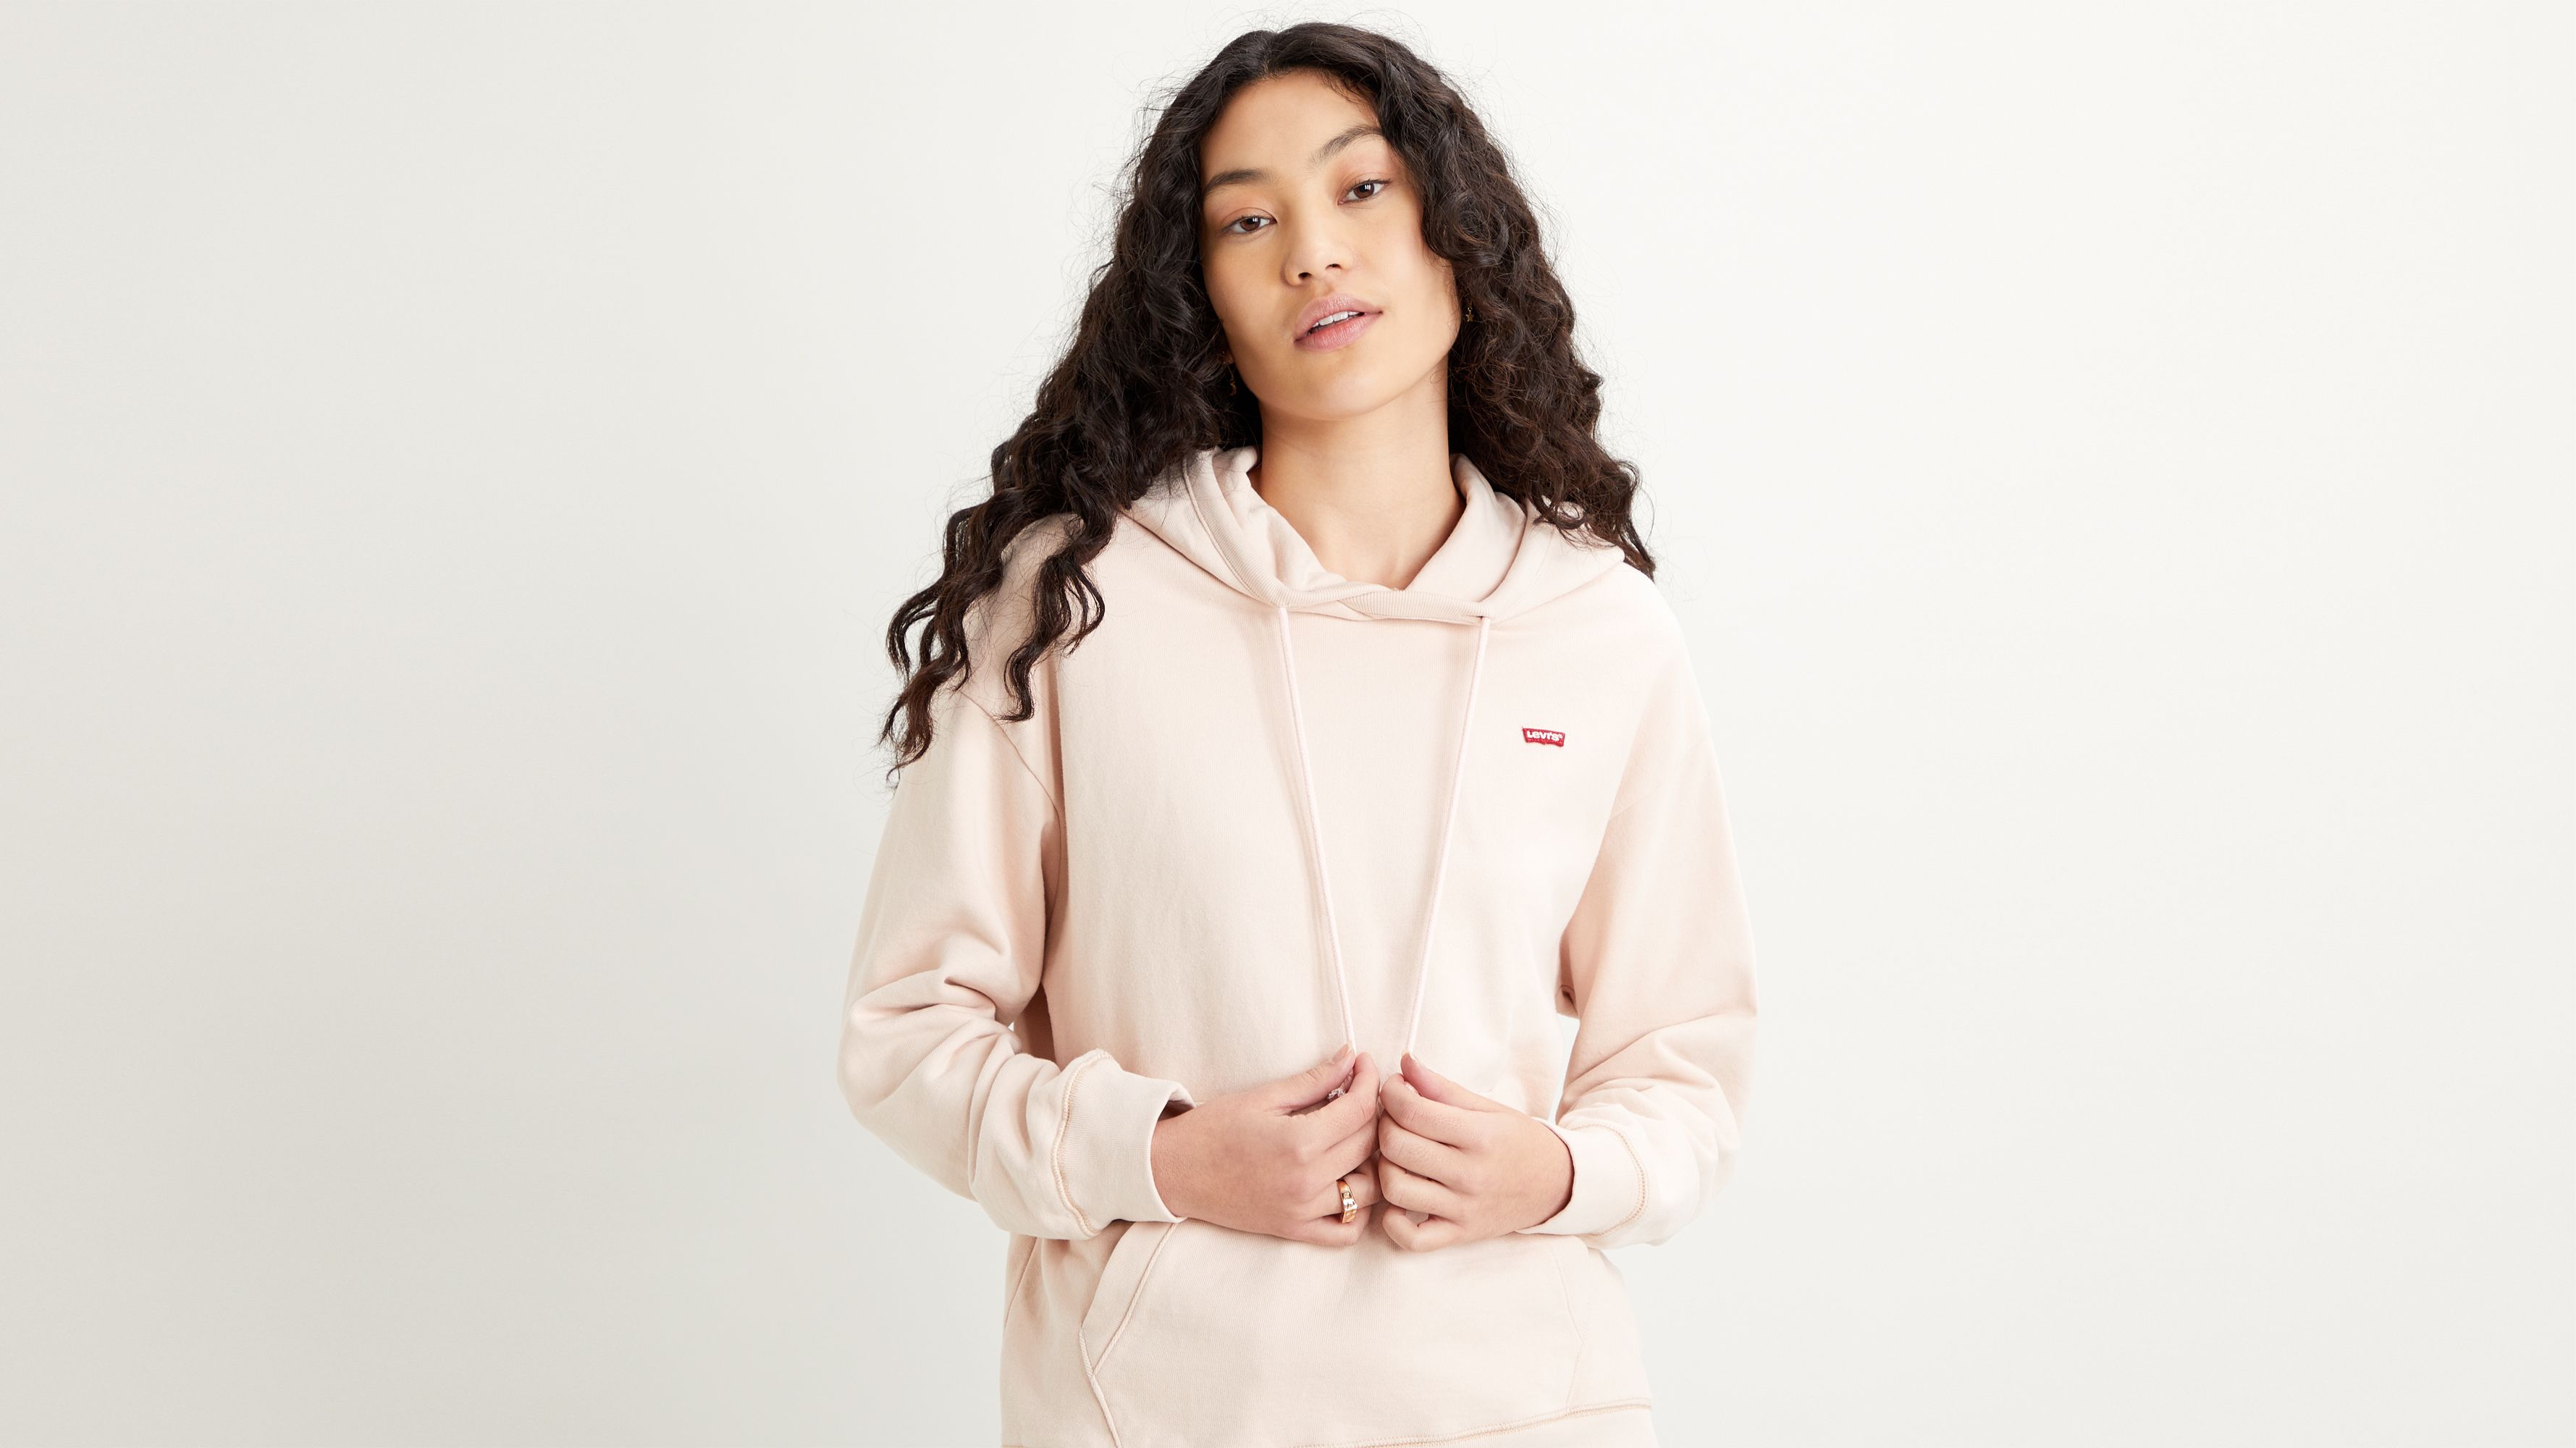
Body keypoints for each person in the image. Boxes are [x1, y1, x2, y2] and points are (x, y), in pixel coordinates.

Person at [838, 22, 1757, 1447]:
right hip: (1155, 1412)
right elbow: (907, 1032)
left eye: (1361, 189)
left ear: (1459, 232)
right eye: (1247, 221)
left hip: (1529, 1405)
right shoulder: (1072, 605)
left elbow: (1684, 1059)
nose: (1313, 253)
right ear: (1199, 290)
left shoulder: (1600, 630)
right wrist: (1159, 1157)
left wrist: (1559, 1173)